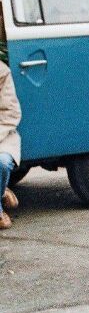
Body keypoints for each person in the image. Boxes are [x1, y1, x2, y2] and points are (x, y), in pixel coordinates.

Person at [0, 60, 21, 230]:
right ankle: (2, 189)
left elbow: (11, 113)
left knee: (2, 162)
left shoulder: (2, 71)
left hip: (2, 134)